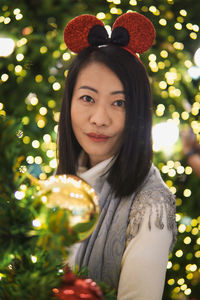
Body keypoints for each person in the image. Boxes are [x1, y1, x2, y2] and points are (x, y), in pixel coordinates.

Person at [56, 12, 177, 300]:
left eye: (119, 102)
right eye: (88, 98)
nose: (99, 118)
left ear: (137, 113)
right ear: (69, 102)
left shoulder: (151, 204)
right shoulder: (61, 185)